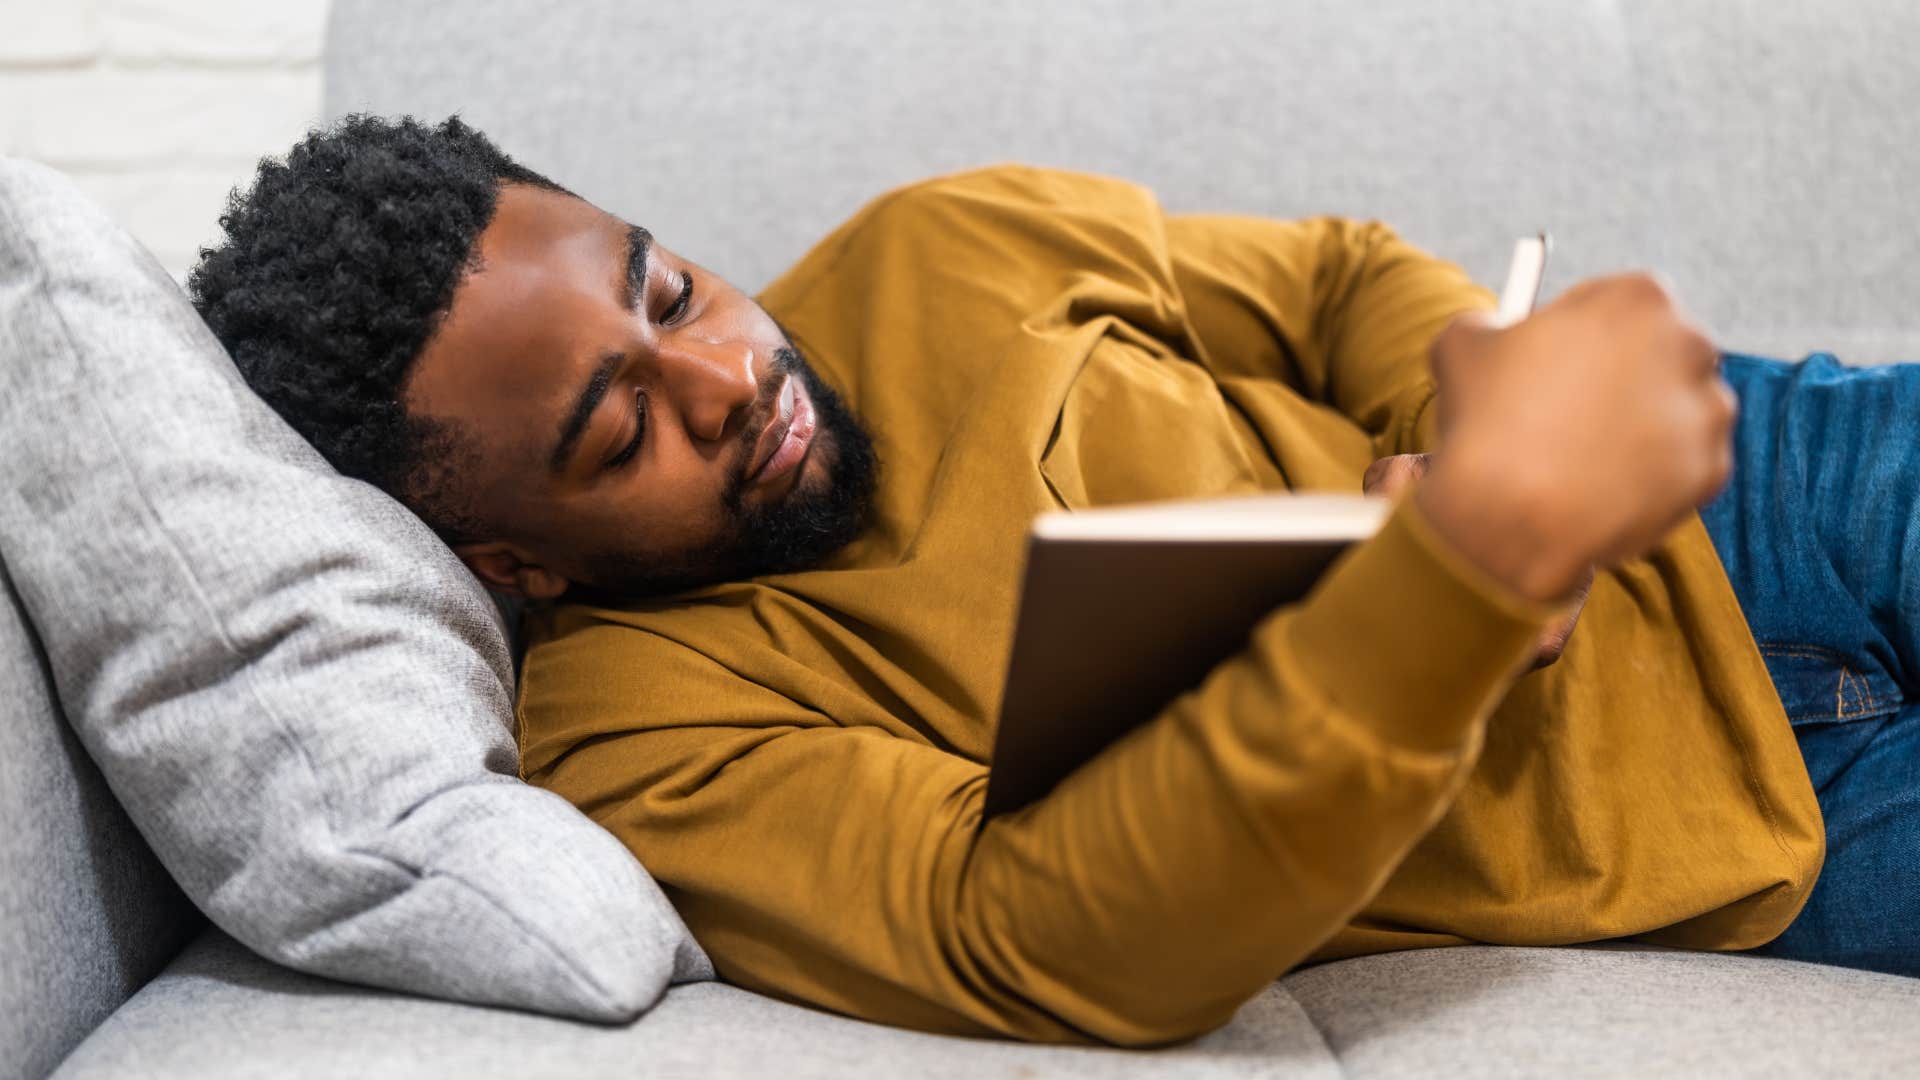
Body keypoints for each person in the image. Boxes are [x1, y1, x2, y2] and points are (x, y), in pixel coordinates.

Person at [189, 115, 1915, 1046]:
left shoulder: (939, 244)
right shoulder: (642, 735)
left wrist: (1454, 428)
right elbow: (1035, 931)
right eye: (616, 433)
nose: (724, 379)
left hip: (1753, 481)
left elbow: (1333, 277)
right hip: (1766, 823)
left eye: (667, 291)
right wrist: (1466, 579)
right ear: (512, 559)